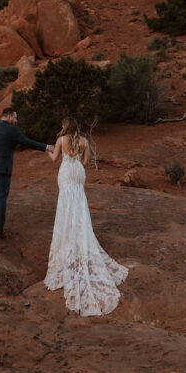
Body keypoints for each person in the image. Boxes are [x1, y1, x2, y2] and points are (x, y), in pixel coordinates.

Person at [44, 118, 128, 316]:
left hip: (65, 172)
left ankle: (67, 237)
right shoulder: (84, 141)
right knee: (79, 204)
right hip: (78, 172)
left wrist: (47, 151)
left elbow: (54, 159)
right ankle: (80, 234)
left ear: (65, 127)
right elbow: (85, 161)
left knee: (66, 204)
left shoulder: (60, 140)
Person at [0, 107, 54, 239]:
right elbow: (28, 142)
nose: (16, 120)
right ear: (9, 116)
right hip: (3, 169)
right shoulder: (12, 130)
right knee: (1, 198)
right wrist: (46, 147)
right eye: (15, 118)